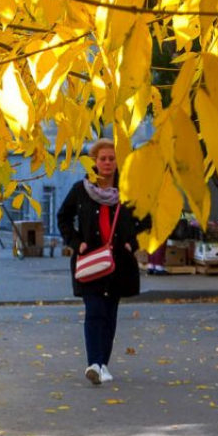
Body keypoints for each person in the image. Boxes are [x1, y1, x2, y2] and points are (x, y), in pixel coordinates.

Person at [57, 138, 142, 386]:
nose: (107, 163)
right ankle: (94, 363)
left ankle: (103, 364)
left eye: (111, 159)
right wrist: (76, 242)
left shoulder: (127, 191)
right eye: (102, 159)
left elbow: (146, 218)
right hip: (90, 262)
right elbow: (63, 217)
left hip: (118, 265)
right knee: (94, 311)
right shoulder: (81, 190)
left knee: (109, 314)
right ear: (94, 162)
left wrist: (132, 244)